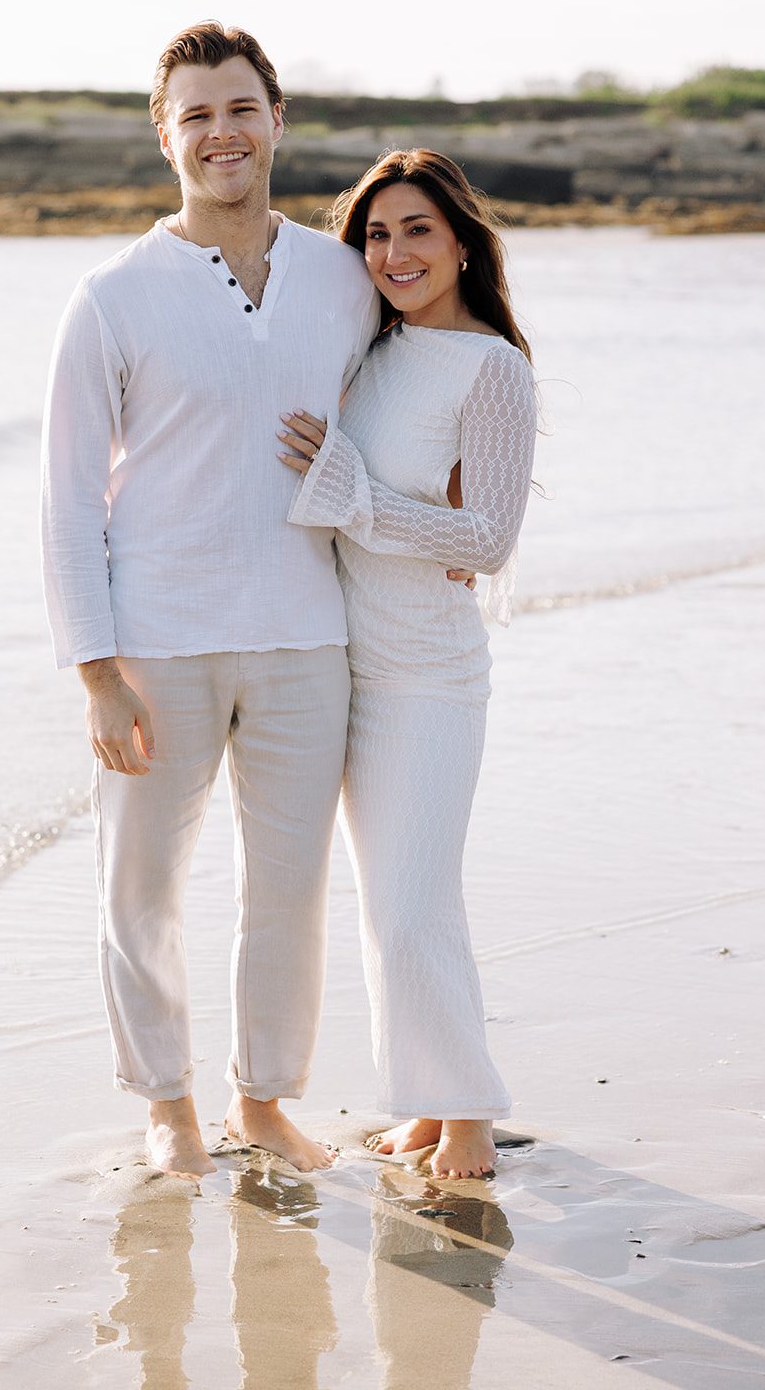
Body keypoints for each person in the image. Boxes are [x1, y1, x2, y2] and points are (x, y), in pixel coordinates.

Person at [40, 23, 379, 1179]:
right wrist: (94, 667)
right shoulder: (113, 296)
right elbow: (66, 495)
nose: (220, 132)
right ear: (164, 136)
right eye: (195, 114)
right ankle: (167, 1104)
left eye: (239, 108)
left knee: (287, 887)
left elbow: (411, 401)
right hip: (156, 644)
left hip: (306, 633)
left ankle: (264, 1097)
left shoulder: (343, 276)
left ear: (275, 120)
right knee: (141, 890)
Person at [277, 150, 536, 1179]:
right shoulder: (368, 354)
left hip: (429, 675)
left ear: (461, 242)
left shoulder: (491, 368)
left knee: (412, 899)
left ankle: (467, 1113)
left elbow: (485, 540)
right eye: (375, 234)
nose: (392, 252)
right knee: (387, 899)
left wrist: (352, 494)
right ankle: (429, 1102)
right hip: (349, 668)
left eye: (415, 230)